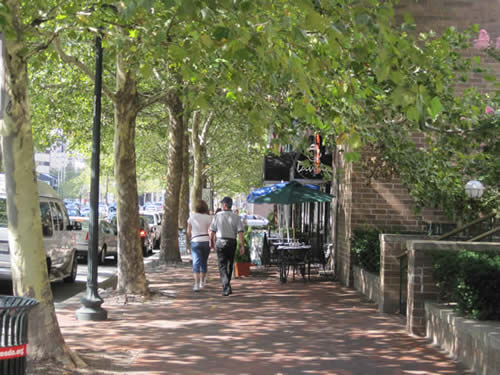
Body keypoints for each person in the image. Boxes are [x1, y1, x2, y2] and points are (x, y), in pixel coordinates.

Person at [209, 196, 244, 296]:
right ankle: (227, 285)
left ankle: (226, 286)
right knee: (229, 264)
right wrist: (242, 245)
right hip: (232, 242)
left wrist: (211, 242)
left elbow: (212, 231)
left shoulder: (217, 216)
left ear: (224, 205)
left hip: (220, 241)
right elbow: (240, 232)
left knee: (222, 265)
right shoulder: (236, 217)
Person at [187, 200, 212, 292]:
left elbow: (188, 231)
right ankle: (202, 281)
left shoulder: (192, 217)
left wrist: (190, 239)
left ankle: (196, 284)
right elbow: (210, 231)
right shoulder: (208, 218)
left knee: (196, 262)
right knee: (204, 262)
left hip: (195, 241)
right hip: (205, 241)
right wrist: (211, 241)